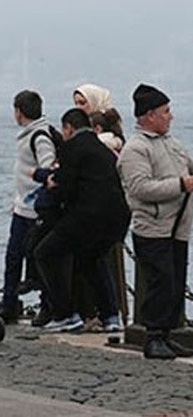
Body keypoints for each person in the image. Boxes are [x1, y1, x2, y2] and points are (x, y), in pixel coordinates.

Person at [117, 84, 193, 359]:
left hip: (178, 228)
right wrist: (181, 185)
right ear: (149, 115)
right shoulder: (135, 149)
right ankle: (153, 337)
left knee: (175, 282)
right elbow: (140, 188)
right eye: (165, 111)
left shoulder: (172, 143)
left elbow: (189, 165)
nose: (170, 116)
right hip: (154, 227)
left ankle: (168, 334)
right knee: (160, 282)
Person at [33, 108, 129, 332]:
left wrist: (51, 185)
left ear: (68, 128)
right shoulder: (101, 148)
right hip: (117, 218)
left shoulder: (71, 148)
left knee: (45, 253)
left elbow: (66, 189)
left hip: (87, 216)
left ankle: (65, 314)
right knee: (91, 259)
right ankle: (110, 316)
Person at [1, 90, 57, 324]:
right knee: (14, 257)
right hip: (21, 208)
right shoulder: (27, 135)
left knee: (37, 260)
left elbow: (49, 169)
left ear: (19, 112)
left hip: (34, 210)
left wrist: (37, 183)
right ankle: (9, 303)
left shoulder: (39, 137)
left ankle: (47, 306)